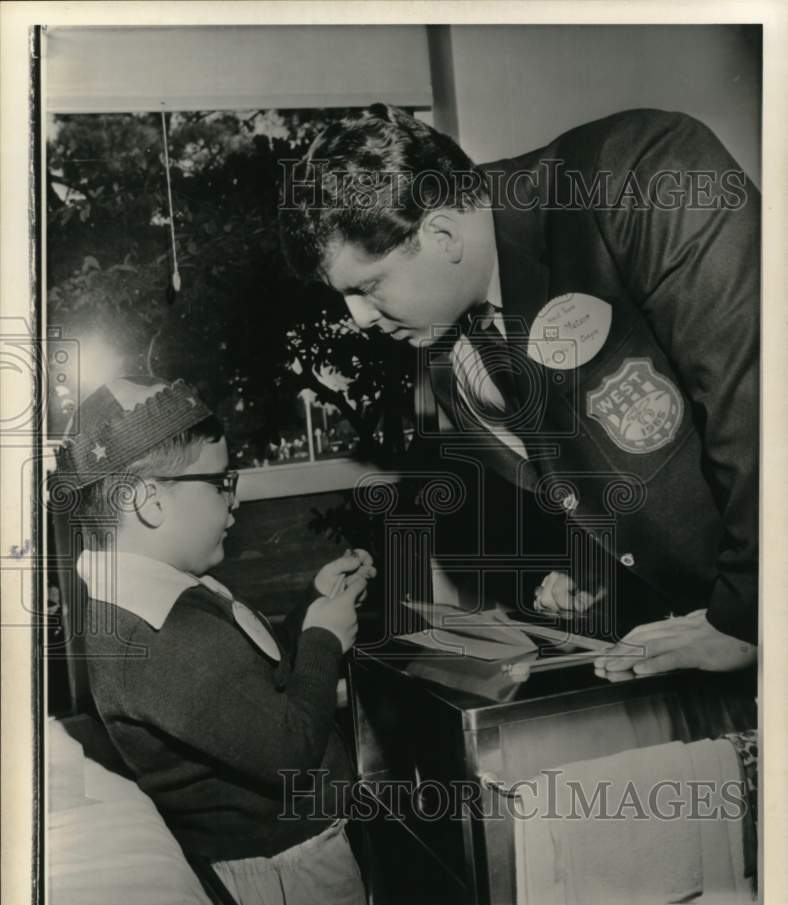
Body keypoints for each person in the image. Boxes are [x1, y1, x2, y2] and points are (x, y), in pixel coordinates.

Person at [278, 103, 758, 679]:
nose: (358, 318)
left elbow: (761, 398)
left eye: (368, 286)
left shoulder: (638, 174)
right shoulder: (443, 344)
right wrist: (599, 567)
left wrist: (750, 610)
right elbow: (591, 464)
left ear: (443, 234)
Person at [53, 375, 375, 905]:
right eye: (219, 481)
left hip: (281, 857)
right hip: (287, 874)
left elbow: (247, 684)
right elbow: (290, 749)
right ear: (148, 500)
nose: (235, 498)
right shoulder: (163, 633)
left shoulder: (158, 600)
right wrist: (323, 640)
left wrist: (311, 607)